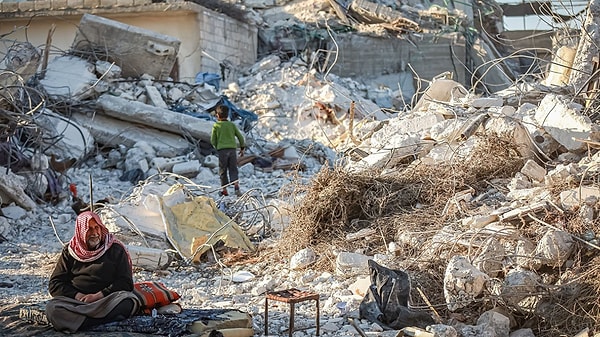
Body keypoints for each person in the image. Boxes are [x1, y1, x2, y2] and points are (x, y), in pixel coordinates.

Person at [45, 211, 139, 333]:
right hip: (77, 303)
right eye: (89, 229)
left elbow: (125, 282)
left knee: (128, 301)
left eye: (97, 228)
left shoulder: (115, 249)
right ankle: (101, 321)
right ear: (81, 231)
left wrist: (98, 295)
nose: (94, 233)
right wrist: (78, 296)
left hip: (106, 301)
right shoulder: (70, 252)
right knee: (52, 309)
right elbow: (55, 284)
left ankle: (83, 322)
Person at [211, 104, 246, 196]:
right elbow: (240, 137)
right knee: (233, 168)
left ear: (217, 115)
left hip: (222, 151)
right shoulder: (232, 125)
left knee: (223, 170)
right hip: (232, 150)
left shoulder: (216, 126)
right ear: (227, 115)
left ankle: (224, 190)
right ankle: (236, 187)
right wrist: (242, 148)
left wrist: (217, 147)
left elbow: (212, 140)